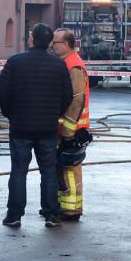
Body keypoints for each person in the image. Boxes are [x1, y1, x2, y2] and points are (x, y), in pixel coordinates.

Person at [0, 23, 73, 228]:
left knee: (18, 171)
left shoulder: (15, 62)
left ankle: (14, 215)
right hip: (48, 128)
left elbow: (2, 92)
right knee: (48, 171)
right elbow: (68, 96)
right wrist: (55, 114)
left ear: (31, 39)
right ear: (49, 42)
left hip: (20, 127)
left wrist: (10, 114)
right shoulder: (58, 65)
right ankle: (51, 214)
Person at [51, 28, 92, 221]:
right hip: (67, 127)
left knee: (69, 168)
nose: (52, 45)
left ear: (66, 45)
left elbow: (77, 100)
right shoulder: (66, 63)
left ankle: (71, 209)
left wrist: (67, 131)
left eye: (56, 42)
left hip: (73, 129)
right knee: (62, 168)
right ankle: (63, 205)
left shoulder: (74, 66)